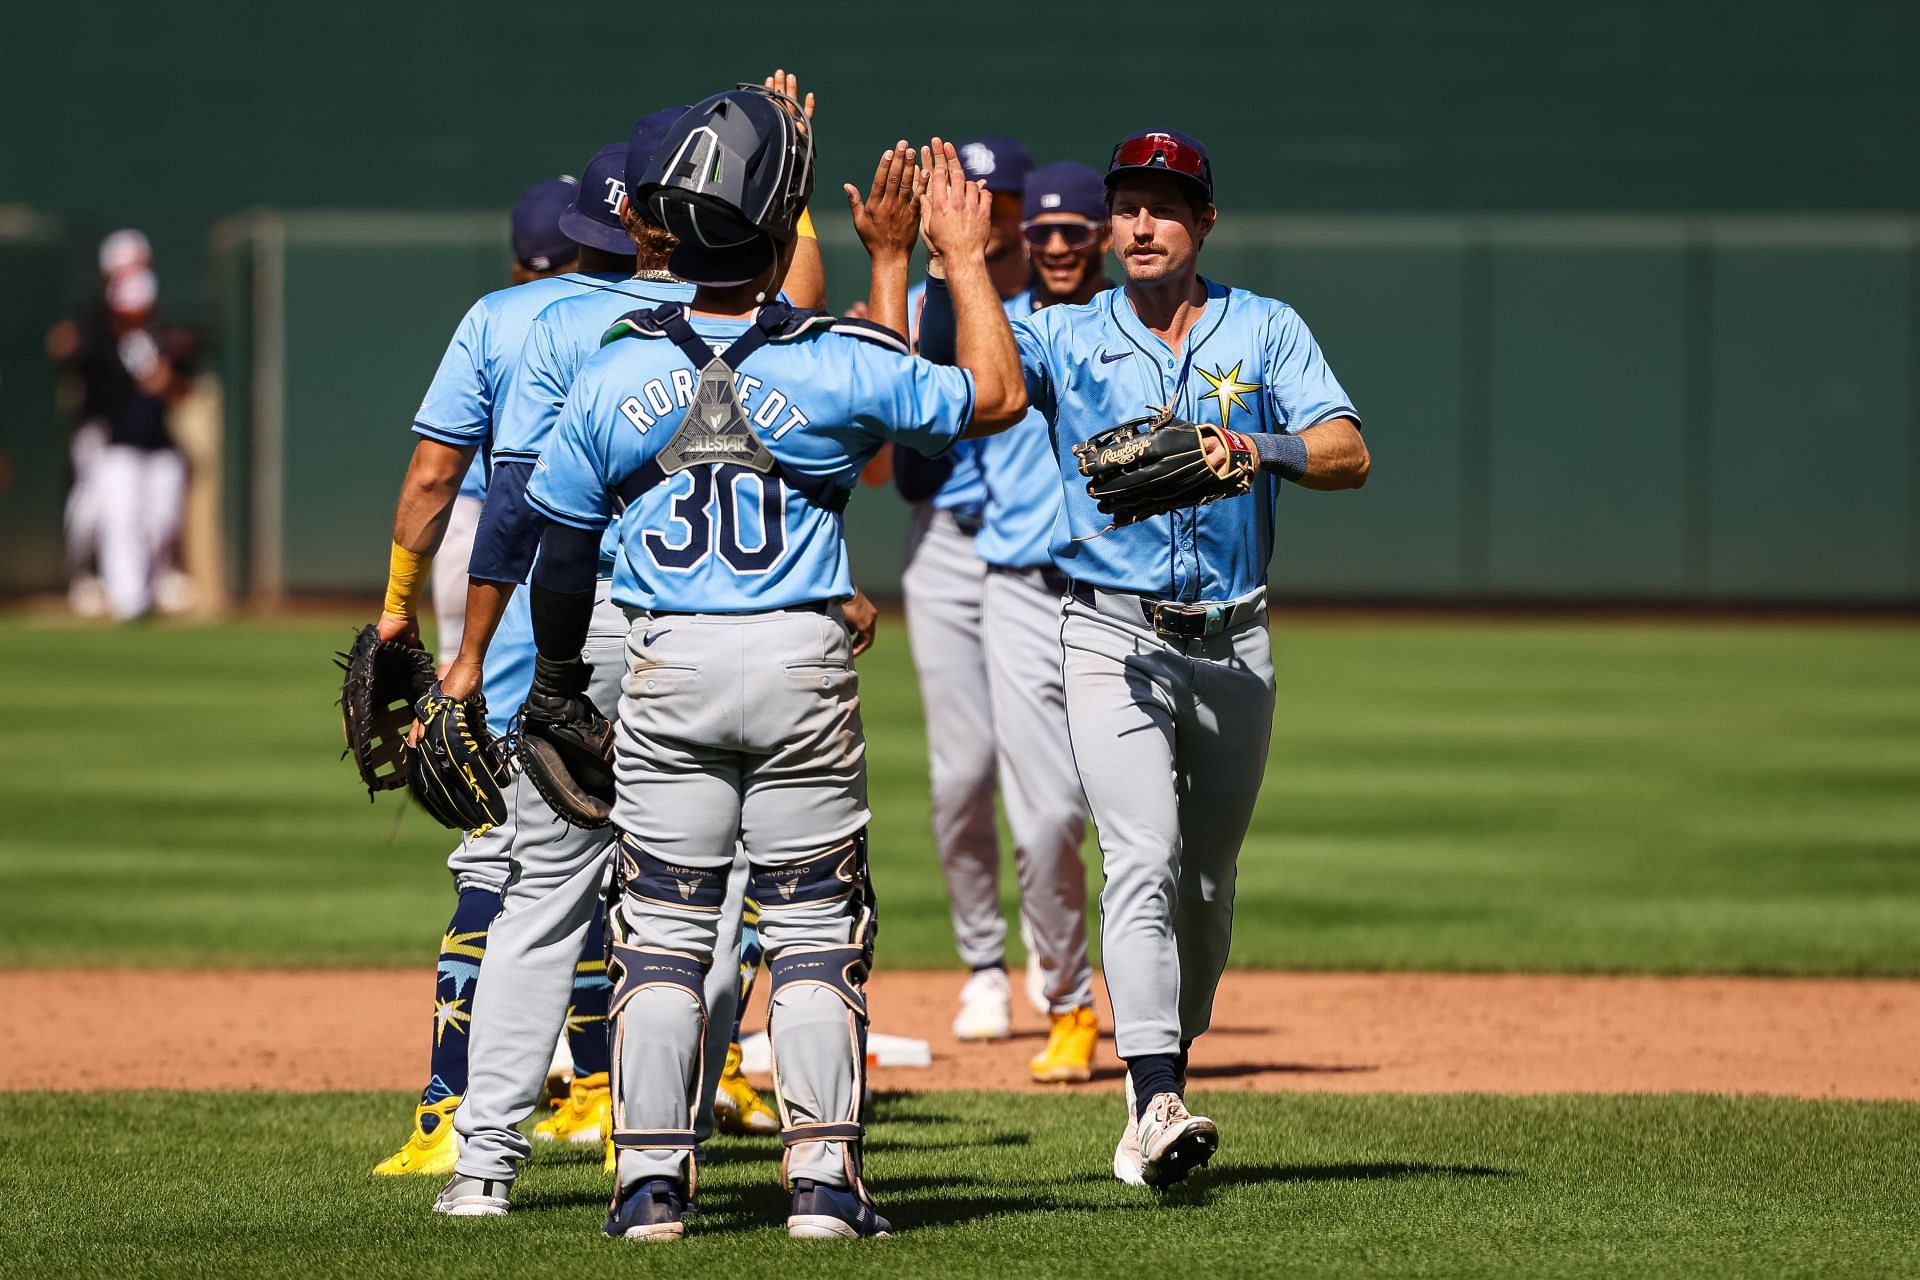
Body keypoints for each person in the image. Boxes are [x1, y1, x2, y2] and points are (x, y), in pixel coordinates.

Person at [442, 101, 1025, 1239]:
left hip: (668, 661)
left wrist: (554, 680)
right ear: (774, 240)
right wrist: (951, 258)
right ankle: (821, 1189)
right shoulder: (838, 358)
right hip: (802, 656)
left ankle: (650, 1187)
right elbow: (992, 395)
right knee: (812, 925)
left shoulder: (614, 372)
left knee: (661, 927)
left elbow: (558, 540)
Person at [917, 128, 1370, 1186]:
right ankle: (1159, 1087)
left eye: (1166, 204)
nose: (1141, 222)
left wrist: (1264, 445)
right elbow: (976, 380)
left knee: (1206, 885)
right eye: (1129, 204)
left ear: (1204, 222)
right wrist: (957, 262)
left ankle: (1153, 1077)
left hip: (1233, 637)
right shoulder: (1070, 336)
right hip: (1109, 630)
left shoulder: (1266, 329)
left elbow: (1349, 450)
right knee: (1142, 854)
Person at [426, 84, 840, 1210]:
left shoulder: (553, 322)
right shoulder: (754, 317)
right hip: (707, 628)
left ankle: (483, 1165)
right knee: (704, 900)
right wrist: (796, 171)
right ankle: (654, 1150)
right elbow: (814, 305)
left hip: (577, 628)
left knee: (540, 896)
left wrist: (475, 654)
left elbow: (515, 510)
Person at [369, 151, 639, 1178]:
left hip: (534, 614)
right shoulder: (703, 315)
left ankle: (453, 1116)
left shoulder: (505, 317)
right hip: (667, 621)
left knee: (508, 868)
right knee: (659, 876)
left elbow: (440, 476)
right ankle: (627, 1110)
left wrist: (406, 617)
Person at [893, 135, 1044, 1043]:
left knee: (1051, 780)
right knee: (960, 776)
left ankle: (1057, 960)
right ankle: (984, 964)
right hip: (945, 544)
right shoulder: (924, 301)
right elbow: (893, 470)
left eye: (1000, 195)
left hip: (1042, 556)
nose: (984, 208)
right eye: (968, 193)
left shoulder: (1060, 307)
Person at [970, 160, 1114, 1083]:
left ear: (1102, 236)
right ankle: (1068, 1000)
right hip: (1019, 593)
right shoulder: (1002, 331)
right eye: (1044, 233)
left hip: (1117, 593)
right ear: (1023, 241)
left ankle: (1153, 1003)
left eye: (1075, 231)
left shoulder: (1133, 331)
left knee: (1158, 829)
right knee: (1048, 817)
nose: (1058, 246)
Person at [429, 179, 582, 663]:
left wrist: (448, 644)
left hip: (492, 549)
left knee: (481, 710)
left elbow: (441, 483)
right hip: (601, 564)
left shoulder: (492, 318)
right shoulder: (640, 318)